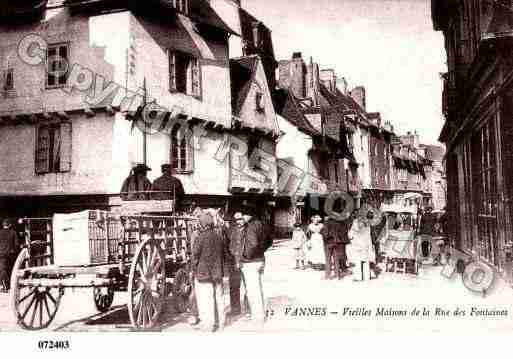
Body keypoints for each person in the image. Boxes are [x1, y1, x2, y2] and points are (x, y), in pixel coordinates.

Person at [230, 211, 273, 326]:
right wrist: (260, 253)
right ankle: (257, 313)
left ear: (248, 215)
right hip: (257, 260)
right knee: (255, 288)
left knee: (253, 290)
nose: (240, 220)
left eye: (242, 217)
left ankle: (258, 317)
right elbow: (269, 241)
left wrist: (246, 256)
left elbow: (252, 244)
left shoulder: (251, 226)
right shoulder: (262, 224)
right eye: (237, 219)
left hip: (249, 262)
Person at [191, 212, 230, 331]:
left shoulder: (200, 238)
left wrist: (193, 270)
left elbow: (195, 256)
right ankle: (221, 323)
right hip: (217, 273)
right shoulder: (219, 237)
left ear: (202, 225)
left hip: (203, 274)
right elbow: (225, 255)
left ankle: (208, 325)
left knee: (206, 300)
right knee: (219, 298)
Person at [347, 212, 376, 282]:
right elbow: (369, 235)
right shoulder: (368, 223)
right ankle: (366, 276)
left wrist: (350, 237)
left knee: (358, 261)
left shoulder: (356, 222)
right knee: (365, 261)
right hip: (366, 244)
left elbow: (350, 234)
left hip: (358, 244)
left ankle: (358, 277)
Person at [0, 219, 17, 292]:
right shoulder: (13, 232)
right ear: (9, 225)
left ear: (3, 225)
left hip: (1, 253)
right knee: (10, 269)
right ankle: (9, 285)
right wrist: (15, 251)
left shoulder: (0, 232)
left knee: (3, 269)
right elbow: (16, 244)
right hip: (11, 254)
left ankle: (5, 286)